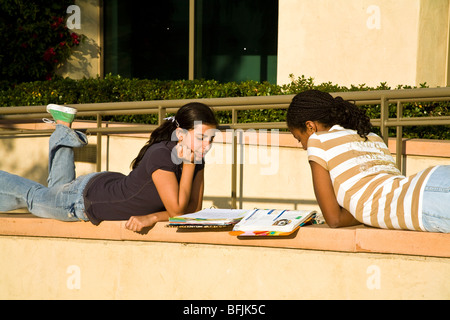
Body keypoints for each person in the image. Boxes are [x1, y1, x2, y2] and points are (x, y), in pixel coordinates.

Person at [0, 102, 218, 232]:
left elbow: (193, 211)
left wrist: (152, 217)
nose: (206, 145)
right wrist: (189, 167)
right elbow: (178, 211)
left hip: (104, 186)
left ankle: (62, 128)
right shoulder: (162, 155)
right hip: (84, 200)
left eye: (211, 138)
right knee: (33, 197)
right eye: (200, 138)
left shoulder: (195, 157)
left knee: (57, 188)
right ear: (180, 135)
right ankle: (62, 131)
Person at [286, 90, 450, 233]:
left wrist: (360, 212)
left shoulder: (318, 140)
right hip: (432, 179)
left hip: (424, 204)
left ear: (310, 127)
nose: (303, 147)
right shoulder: (371, 136)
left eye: (299, 139)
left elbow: (334, 219)